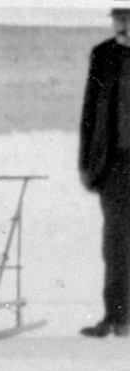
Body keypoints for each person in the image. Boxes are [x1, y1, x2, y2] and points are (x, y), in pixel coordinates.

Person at [78, 8, 130, 338]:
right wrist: (86, 161)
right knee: (116, 244)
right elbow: (90, 110)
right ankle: (118, 317)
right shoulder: (104, 54)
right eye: (119, 17)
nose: (122, 24)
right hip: (116, 165)